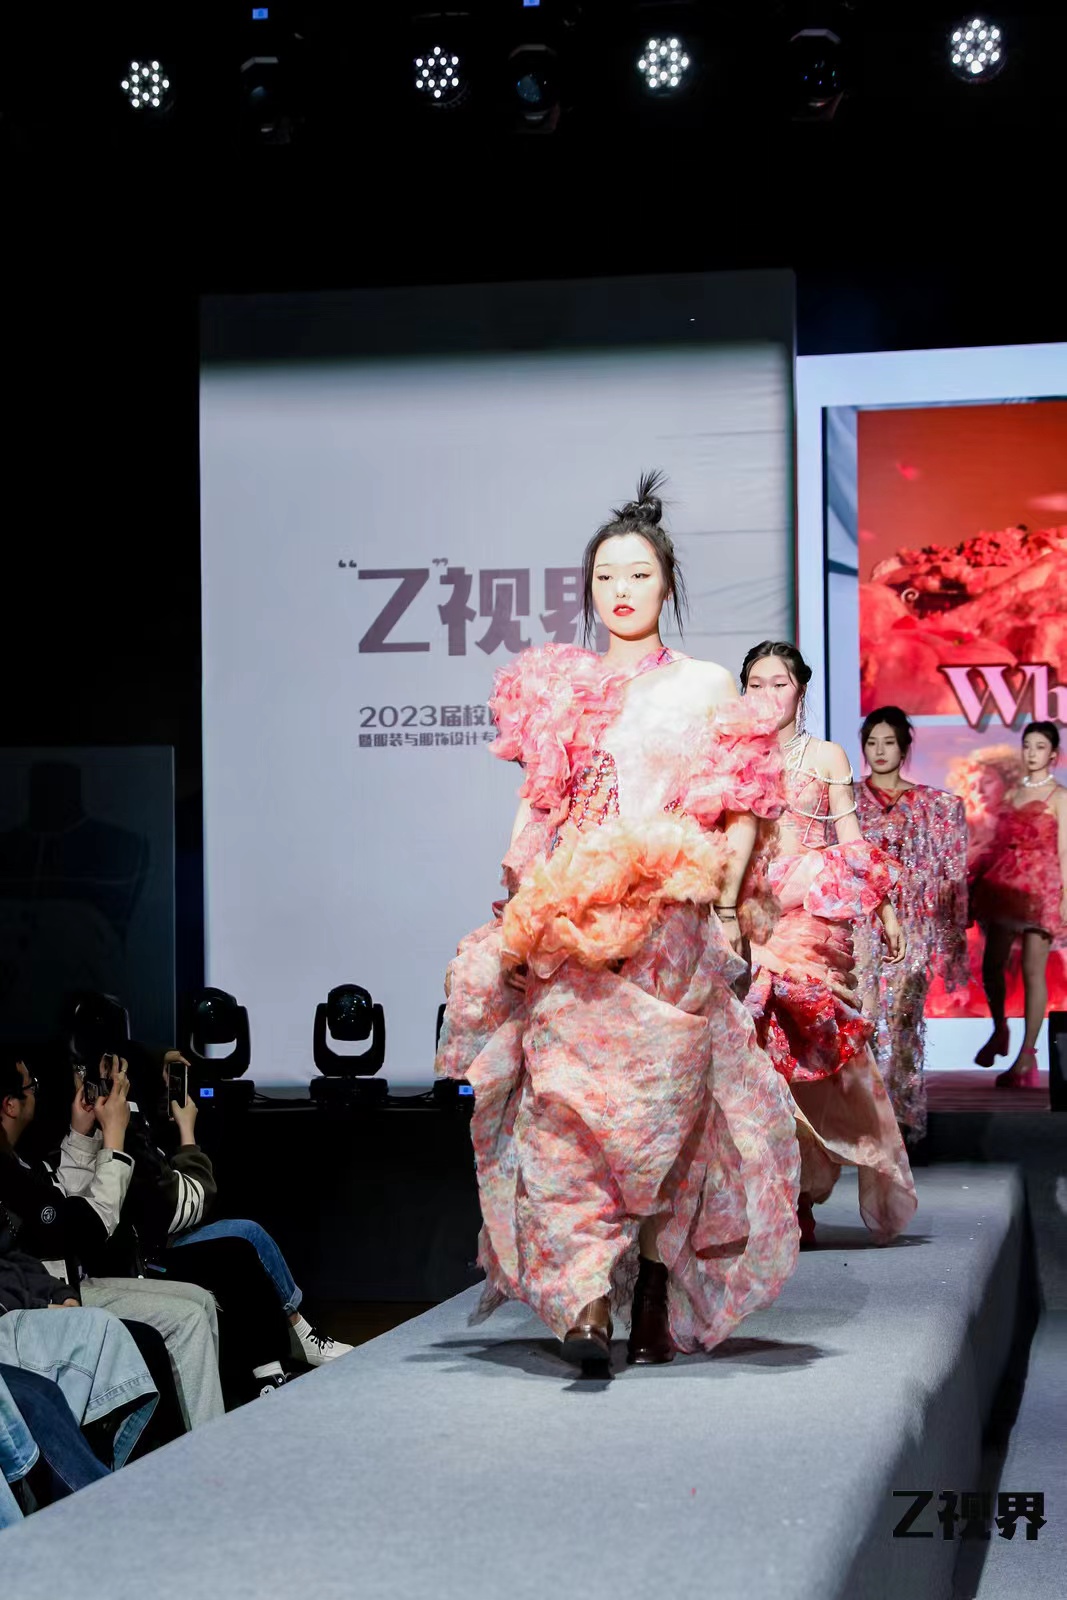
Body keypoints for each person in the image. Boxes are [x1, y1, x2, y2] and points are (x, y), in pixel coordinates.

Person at [435, 472, 801, 1370]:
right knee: (561, 1104)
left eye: (638, 574)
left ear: (667, 584)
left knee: (660, 1113)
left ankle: (651, 1283)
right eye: (605, 576)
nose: (621, 590)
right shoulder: (558, 684)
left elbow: (741, 803)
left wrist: (727, 905)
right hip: (571, 919)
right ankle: (586, 1298)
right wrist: (519, 901)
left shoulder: (705, 684)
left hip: (668, 922)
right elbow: (541, 807)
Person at [738, 643, 918, 1248]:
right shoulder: (731, 754)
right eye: (756, 684)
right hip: (748, 909)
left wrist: (884, 909)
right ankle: (768, 1188)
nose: (768, 695)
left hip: (812, 914)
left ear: (801, 690)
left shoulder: (825, 756)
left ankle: (801, 1191)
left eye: (780, 683)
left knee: (801, 1045)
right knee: (751, 1051)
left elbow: (849, 839)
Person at [0, 1054, 225, 1430]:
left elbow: (64, 1211)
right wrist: (116, 1140)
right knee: (187, 1317)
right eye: (31, 1086)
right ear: (10, 1105)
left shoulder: (17, 1163)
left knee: (200, 1299)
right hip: (41, 1302)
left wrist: (81, 1134)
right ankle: (206, 1448)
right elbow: (85, 1228)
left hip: (62, 1285)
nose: (37, 1092)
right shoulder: (8, 1174)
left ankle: (208, 1435)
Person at [854, 706, 970, 1141]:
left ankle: (903, 1118)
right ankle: (868, 1120)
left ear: (903, 748)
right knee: (864, 1020)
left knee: (905, 1019)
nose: (879, 750)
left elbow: (949, 869)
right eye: (872, 742)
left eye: (888, 742)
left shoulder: (931, 805)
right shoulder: (847, 801)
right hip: (862, 925)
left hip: (913, 925)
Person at [970, 720, 1067, 1087]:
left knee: (1032, 970)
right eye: (1028, 746)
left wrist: (1065, 897)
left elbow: (1065, 850)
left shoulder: (1060, 797)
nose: (1032, 753)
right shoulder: (1012, 795)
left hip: (1042, 888)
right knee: (992, 966)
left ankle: (1027, 1054)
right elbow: (996, 843)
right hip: (1007, 884)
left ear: (1053, 754)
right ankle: (1000, 1029)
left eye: (1040, 747)